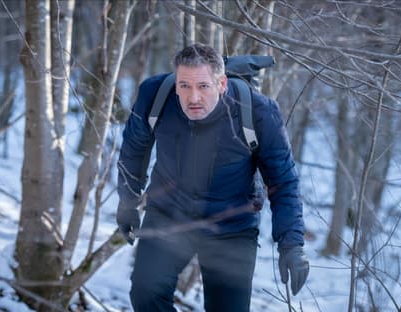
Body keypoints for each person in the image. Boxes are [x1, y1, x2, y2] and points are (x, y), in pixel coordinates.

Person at [116, 43, 309, 312]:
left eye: (203, 86)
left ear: (221, 84)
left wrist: (291, 245)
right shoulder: (155, 96)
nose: (193, 97)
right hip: (170, 215)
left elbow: (284, 181)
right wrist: (127, 202)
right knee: (146, 295)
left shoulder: (258, 112)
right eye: (184, 86)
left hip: (231, 226)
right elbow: (133, 149)